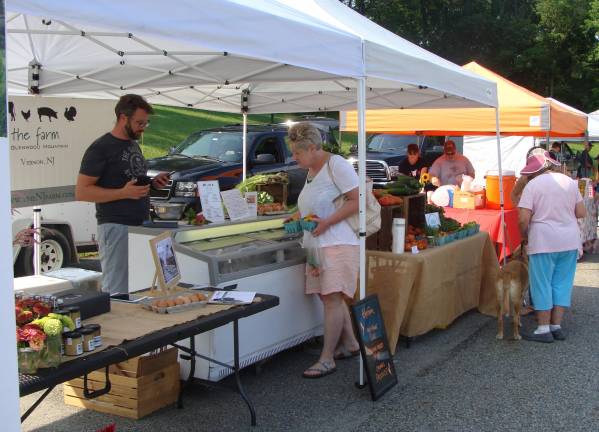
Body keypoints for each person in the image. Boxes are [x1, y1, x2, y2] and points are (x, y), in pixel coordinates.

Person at [287, 122, 361, 379]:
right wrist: (295, 215)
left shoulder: (336, 165)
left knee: (332, 298)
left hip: (337, 242)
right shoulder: (311, 170)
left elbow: (357, 200)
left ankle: (327, 358)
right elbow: (316, 201)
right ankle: (351, 343)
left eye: (297, 153)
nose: (293, 157)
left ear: (312, 148)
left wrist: (327, 222)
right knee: (328, 297)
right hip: (318, 243)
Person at [75, 94, 170, 294]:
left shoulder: (132, 144)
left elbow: (132, 183)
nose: (143, 127)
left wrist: (153, 185)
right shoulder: (100, 148)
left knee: (140, 288)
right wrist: (122, 193)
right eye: (139, 122)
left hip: (140, 225)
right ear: (123, 118)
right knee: (117, 290)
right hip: (116, 226)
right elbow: (82, 191)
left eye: (146, 123)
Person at [518, 151, 586, 343]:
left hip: (543, 240)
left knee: (542, 283)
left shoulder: (532, 185)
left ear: (534, 171)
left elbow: (523, 218)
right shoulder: (569, 182)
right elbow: (581, 212)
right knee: (562, 282)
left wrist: (524, 234)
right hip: (569, 240)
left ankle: (543, 328)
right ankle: (556, 326)